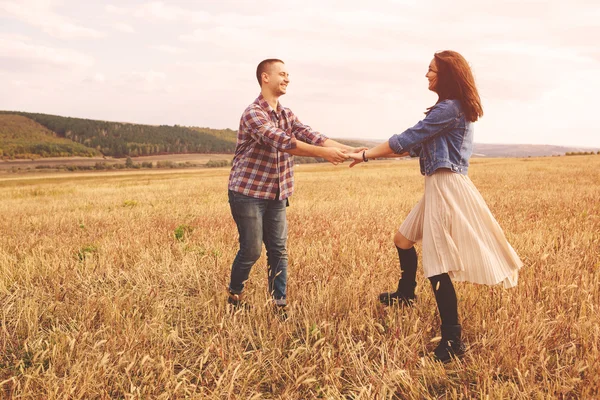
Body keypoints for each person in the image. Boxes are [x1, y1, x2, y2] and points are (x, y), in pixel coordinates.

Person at [347, 50, 523, 362]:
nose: (427, 75)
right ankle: (405, 294)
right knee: (402, 239)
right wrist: (369, 152)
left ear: (447, 75)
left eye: (431, 70)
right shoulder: (449, 109)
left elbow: (405, 139)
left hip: (446, 187)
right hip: (438, 184)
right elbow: (409, 146)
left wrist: (364, 156)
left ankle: (453, 340)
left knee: (437, 263)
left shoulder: (449, 109)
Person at [227, 58, 364, 316]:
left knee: (278, 249)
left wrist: (348, 149)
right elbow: (283, 142)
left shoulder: (287, 114)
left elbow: (312, 135)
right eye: (282, 73)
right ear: (265, 77)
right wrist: (324, 155)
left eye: (288, 74)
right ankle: (235, 294)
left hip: (277, 193)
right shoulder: (253, 113)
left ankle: (279, 304)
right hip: (247, 193)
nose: (287, 78)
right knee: (252, 249)